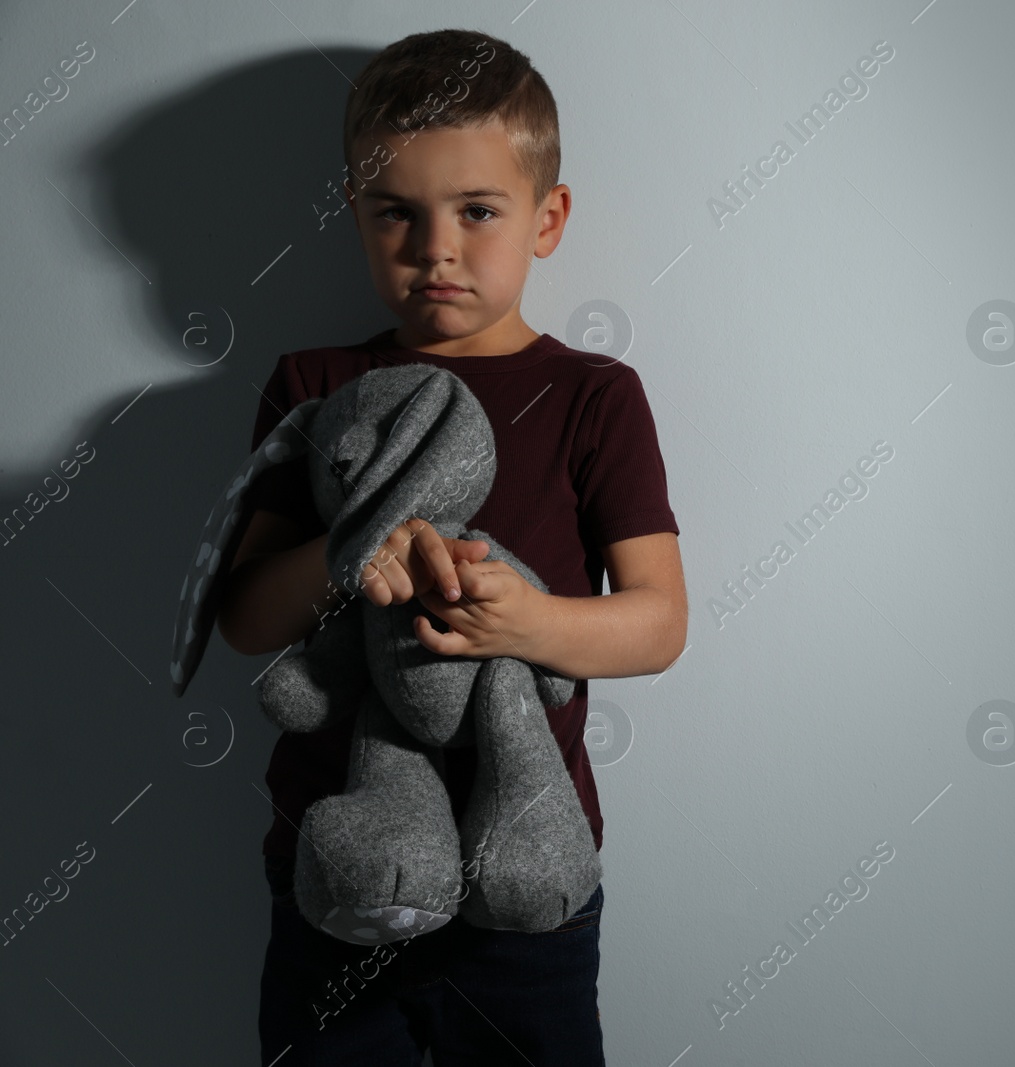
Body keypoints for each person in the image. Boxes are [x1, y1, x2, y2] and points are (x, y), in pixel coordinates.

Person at [216, 28, 686, 1065]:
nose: (437, 248)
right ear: (356, 213)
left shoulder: (593, 397)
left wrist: (529, 620)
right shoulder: (315, 387)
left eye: (478, 211)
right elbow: (246, 619)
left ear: (547, 218)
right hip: (338, 868)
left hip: (522, 873)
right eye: (398, 213)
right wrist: (349, 552)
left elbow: (657, 623)